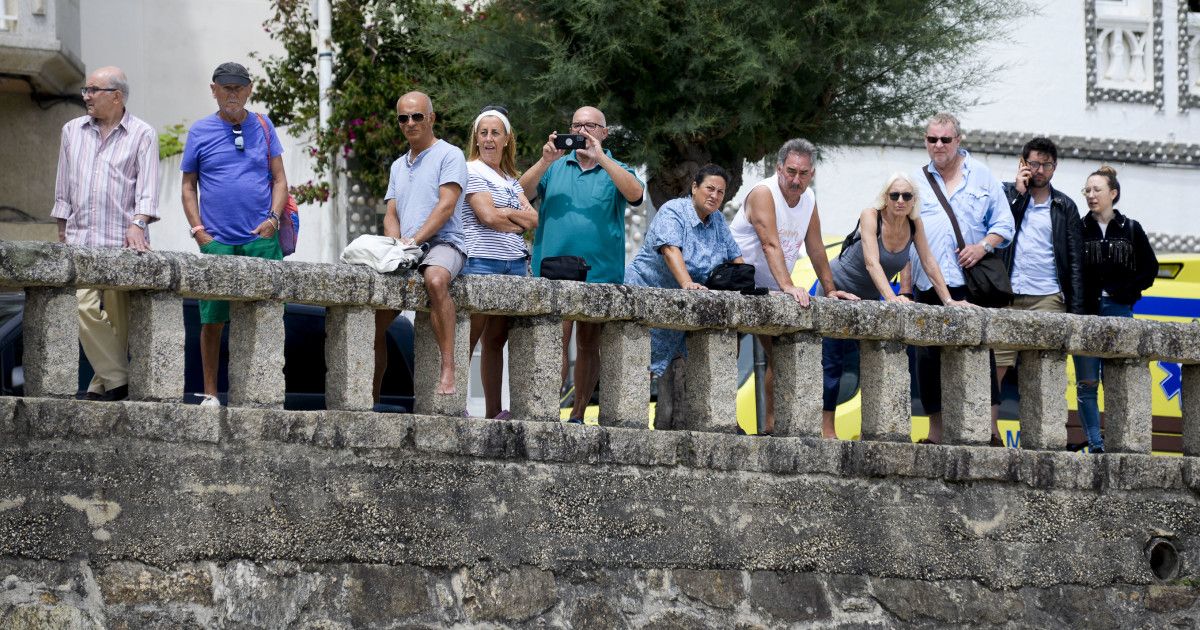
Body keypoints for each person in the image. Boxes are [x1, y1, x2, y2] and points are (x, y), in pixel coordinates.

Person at [519, 106, 645, 424]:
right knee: (556, 337)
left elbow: (636, 194)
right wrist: (546, 158)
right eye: (576, 125)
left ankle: (578, 413)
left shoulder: (616, 166)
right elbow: (520, 191)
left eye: (590, 125)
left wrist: (602, 157)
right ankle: (548, 412)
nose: (583, 131)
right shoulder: (555, 166)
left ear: (604, 132)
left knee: (589, 342)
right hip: (553, 268)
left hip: (599, 272)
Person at [820, 174, 970, 438]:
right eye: (894, 195)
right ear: (885, 198)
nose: (900, 201)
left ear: (914, 201)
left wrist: (948, 300)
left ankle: (876, 429)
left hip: (868, 296)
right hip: (837, 288)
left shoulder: (914, 225)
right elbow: (871, 262)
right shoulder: (871, 215)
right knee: (833, 363)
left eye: (907, 196)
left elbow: (929, 262)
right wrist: (891, 297)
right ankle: (827, 429)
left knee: (877, 360)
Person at [729, 138, 856, 435]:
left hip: (772, 288)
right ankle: (725, 422)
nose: (795, 179)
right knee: (727, 352)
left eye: (802, 173)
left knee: (781, 355)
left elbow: (816, 248)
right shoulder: (763, 193)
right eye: (790, 171)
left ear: (810, 174)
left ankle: (773, 424)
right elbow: (769, 242)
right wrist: (788, 285)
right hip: (739, 283)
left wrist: (830, 288)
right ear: (779, 168)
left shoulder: (809, 199)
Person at [182, 62, 288, 407]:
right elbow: (188, 187)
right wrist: (199, 232)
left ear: (249, 90)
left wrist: (273, 218)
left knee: (266, 316)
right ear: (213, 90)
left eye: (238, 88)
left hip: (261, 238)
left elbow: (280, 179)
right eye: (225, 87)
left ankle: (265, 392)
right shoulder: (199, 131)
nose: (232, 93)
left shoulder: (263, 124)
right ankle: (211, 393)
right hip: (217, 241)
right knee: (212, 320)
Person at [51, 66, 159, 402]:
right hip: (81, 241)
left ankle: (102, 386)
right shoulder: (72, 130)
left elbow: (147, 191)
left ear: (117, 95)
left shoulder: (143, 133)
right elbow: (63, 184)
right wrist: (61, 226)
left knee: (118, 322)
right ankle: (119, 378)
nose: (86, 96)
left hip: (123, 243)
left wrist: (138, 224)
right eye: (85, 90)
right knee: (81, 307)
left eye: (93, 90)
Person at [907, 112, 1014, 444]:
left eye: (945, 139)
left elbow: (1004, 225)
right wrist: (906, 287)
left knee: (981, 354)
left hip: (969, 281)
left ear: (958, 140)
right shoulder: (913, 181)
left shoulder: (982, 175)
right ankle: (935, 432)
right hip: (928, 283)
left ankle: (989, 430)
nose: (938, 146)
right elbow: (905, 236)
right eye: (931, 139)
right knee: (927, 359)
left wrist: (982, 247)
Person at [373, 91, 467, 400]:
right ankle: (373, 396)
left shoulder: (449, 154)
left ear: (431, 118)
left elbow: (446, 206)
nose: (410, 123)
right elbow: (390, 213)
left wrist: (415, 240)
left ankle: (449, 368)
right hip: (409, 248)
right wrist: (398, 241)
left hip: (444, 243)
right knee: (375, 319)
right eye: (403, 118)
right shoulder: (398, 165)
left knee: (436, 279)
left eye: (417, 116)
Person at [994, 137, 1085, 436]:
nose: (1039, 170)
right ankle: (990, 433)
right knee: (997, 365)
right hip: (1007, 293)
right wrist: (1019, 195)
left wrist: (1076, 310)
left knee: (1044, 370)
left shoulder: (1065, 206)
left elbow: (1074, 261)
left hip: (1047, 296)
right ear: (1023, 163)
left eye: (1046, 164)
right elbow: (998, 231)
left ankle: (1043, 436)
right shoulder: (1006, 194)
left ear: (1055, 168)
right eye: (1034, 163)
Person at [625, 164, 743, 381]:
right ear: (694, 187)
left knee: (704, 367)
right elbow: (670, 250)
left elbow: (735, 257)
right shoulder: (673, 210)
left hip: (684, 305)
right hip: (646, 294)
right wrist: (687, 283)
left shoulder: (717, 219)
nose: (714, 196)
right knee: (634, 374)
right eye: (709, 188)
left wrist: (747, 288)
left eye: (720, 192)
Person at [460, 106, 538, 419]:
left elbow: (533, 218)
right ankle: (455, 408)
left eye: (496, 133)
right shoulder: (470, 170)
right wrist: (512, 217)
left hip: (514, 264)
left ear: (507, 139)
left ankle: (494, 411)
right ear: (476, 139)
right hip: (481, 259)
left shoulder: (510, 180)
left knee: (496, 339)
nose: (489, 139)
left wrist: (506, 215)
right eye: (484, 133)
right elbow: (486, 216)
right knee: (470, 336)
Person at [1074, 166, 1157, 454]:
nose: (1091, 195)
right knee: (1086, 383)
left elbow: (1150, 269)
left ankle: (1119, 441)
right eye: (1087, 190)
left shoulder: (1131, 228)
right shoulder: (1078, 229)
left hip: (1119, 309)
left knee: (1117, 378)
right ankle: (1096, 444)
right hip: (1085, 311)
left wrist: (1127, 292)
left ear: (1113, 193)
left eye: (1097, 190)